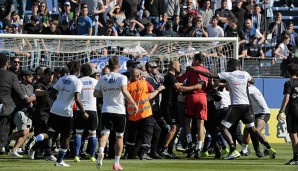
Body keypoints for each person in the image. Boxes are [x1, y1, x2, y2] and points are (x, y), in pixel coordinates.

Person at [187, 59, 276, 160]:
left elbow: (210, 75)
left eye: (228, 66)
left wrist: (195, 70)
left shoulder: (228, 75)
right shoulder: (245, 74)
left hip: (236, 106)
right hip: (247, 106)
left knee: (222, 127)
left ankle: (233, 150)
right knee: (252, 129)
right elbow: (253, 81)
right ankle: (269, 148)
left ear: (231, 66)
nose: (226, 68)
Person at [27, 61, 88, 167]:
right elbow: (77, 99)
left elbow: (52, 93)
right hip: (66, 112)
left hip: (54, 110)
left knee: (50, 133)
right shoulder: (77, 82)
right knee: (66, 137)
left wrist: (58, 101)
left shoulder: (62, 79)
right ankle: (59, 161)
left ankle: (35, 138)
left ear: (69, 69)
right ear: (78, 71)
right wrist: (83, 112)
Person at [94, 56, 138, 170]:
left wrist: (106, 93)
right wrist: (133, 102)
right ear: (118, 66)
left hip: (106, 110)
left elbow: (95, 94)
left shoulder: (102, 78)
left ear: (109, 66)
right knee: (119, 136)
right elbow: (124, 91)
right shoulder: (122, 77)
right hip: (119, 111)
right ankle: (116, 163)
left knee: (105, 133)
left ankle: (101, 151)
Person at [160, 59, 202, 158]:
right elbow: (180, 88)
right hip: (168, 105)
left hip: (173, 105)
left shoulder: (174, 77)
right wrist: (195, 86)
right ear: (174, 66)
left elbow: (181, 86)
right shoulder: (170, 75)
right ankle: (163, 149)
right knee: (174, 127)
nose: (180, 67)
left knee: (177, 127)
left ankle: (169, 150)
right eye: (179, 65)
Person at [125, 68, 165, 160]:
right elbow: (149, 95)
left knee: (135, 135)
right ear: (139, 76)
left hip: (133, 115)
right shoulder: (144, 83)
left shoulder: (128, 86)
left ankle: (131, 153)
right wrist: (159, 90)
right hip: (145, 113)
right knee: (150, 132)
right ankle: (144, 152)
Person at [178, 53, 209, 158]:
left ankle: (190, 143)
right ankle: (199, 147)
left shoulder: (191, 69)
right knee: (201, 124)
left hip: (192, 97)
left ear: (196, 60)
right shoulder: (206, 71)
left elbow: (180, 80)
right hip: (203, 98)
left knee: (187, 122)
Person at [0, 54, 33, 153]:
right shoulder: (12, 76)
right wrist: (27, 98)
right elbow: (20, 92)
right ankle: (1, 145)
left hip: (4, 105)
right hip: (5, 105)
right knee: (4, 127)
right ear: (6, 63)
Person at [26, 68, 56, 161]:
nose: (51, 77)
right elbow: (37, 92)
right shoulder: (40, 83)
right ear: (45, 75)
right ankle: (48, 154)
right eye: (49, 75)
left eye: (52, 75)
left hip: (52, 111)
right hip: (41, 111)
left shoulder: (53, 85)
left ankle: (33, 148)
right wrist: (47, 92)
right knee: (46, 130)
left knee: (48, 134)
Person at [7, 69, 36, 158]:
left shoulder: (30, 87)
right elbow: (27, 100)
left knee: (25, 133)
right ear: (24, 77)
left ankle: (14, 150)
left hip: (27, 112)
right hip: (20, 112)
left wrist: (32, 98)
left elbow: (31, 100)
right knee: (23, 132)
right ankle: (4, 140)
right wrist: (35, 97)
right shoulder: (20, 86)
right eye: (30, 75)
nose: (32, 77)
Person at [73, 64, 98, 162]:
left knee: (79, 133)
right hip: (92, 109)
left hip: (80, 109)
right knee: (93, 134)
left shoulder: (78, 81)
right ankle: (92, 156)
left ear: (81, 72)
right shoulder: (95, 81)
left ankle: (76, 155)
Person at [241, 79, 271, 158]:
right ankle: (245, 150)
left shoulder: (250, 89)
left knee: (256, 130)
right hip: (255, 113)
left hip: (263, 112)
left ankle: (267, 148)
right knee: (247, 130)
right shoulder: (250, 87)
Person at [277, 63, 298, 165]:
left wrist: (280, 111)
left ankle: (296, 158)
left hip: (293, 111)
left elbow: (287, 98)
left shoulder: (288, 83)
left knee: (293, 134)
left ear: (288, 72)